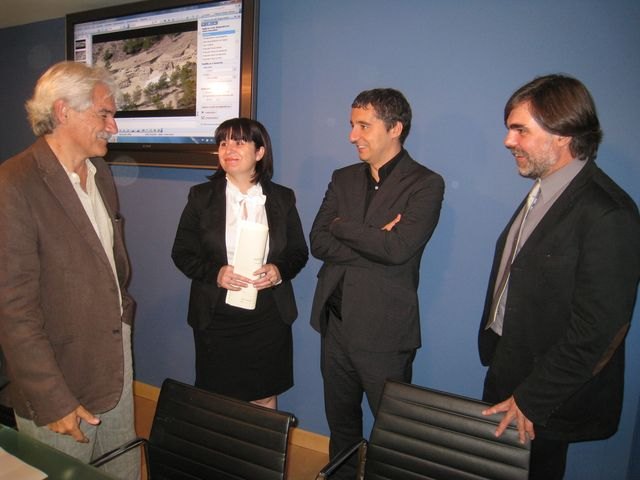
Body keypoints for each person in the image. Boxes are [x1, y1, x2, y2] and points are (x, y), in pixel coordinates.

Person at [479, 74, 640, 479]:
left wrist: (531, 400)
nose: (508, 141)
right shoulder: (545, 189)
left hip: (546, 397)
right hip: (509, 368)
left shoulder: (609, 212)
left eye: (520, 130)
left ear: (563, 133)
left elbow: (599, 331)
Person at [0, 61, 139, 479]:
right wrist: (51, 398)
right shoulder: (14, 182)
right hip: (60, 375)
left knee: (120, 468)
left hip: (113, 362)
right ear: (63, 111)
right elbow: (13, 309)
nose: (113, 127)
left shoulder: (101, 173)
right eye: (104, 114)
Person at [310, 88, 445, 477]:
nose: (352, 135)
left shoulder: (425, 184)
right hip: (335, 326)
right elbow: (318, 241)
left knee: (394, 435)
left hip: (384, 333)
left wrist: (343, 227)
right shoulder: (343, 178)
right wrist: (373, 237)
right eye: (352, 125)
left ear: (395, 128)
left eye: (363, 126)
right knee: (341, 427)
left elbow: (397, 249)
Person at [171, 118, 308, 409]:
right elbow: (181, 253)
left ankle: (262, 442)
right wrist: (216, 273)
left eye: (239, 142)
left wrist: (278, 271)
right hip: (216, 315)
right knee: (218, 395)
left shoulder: (282, 198)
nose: (228, 149)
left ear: (260, 152)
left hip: (268, 315)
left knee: (264, 392)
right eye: (223, 143)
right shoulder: (201, 197)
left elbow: (298, 252)